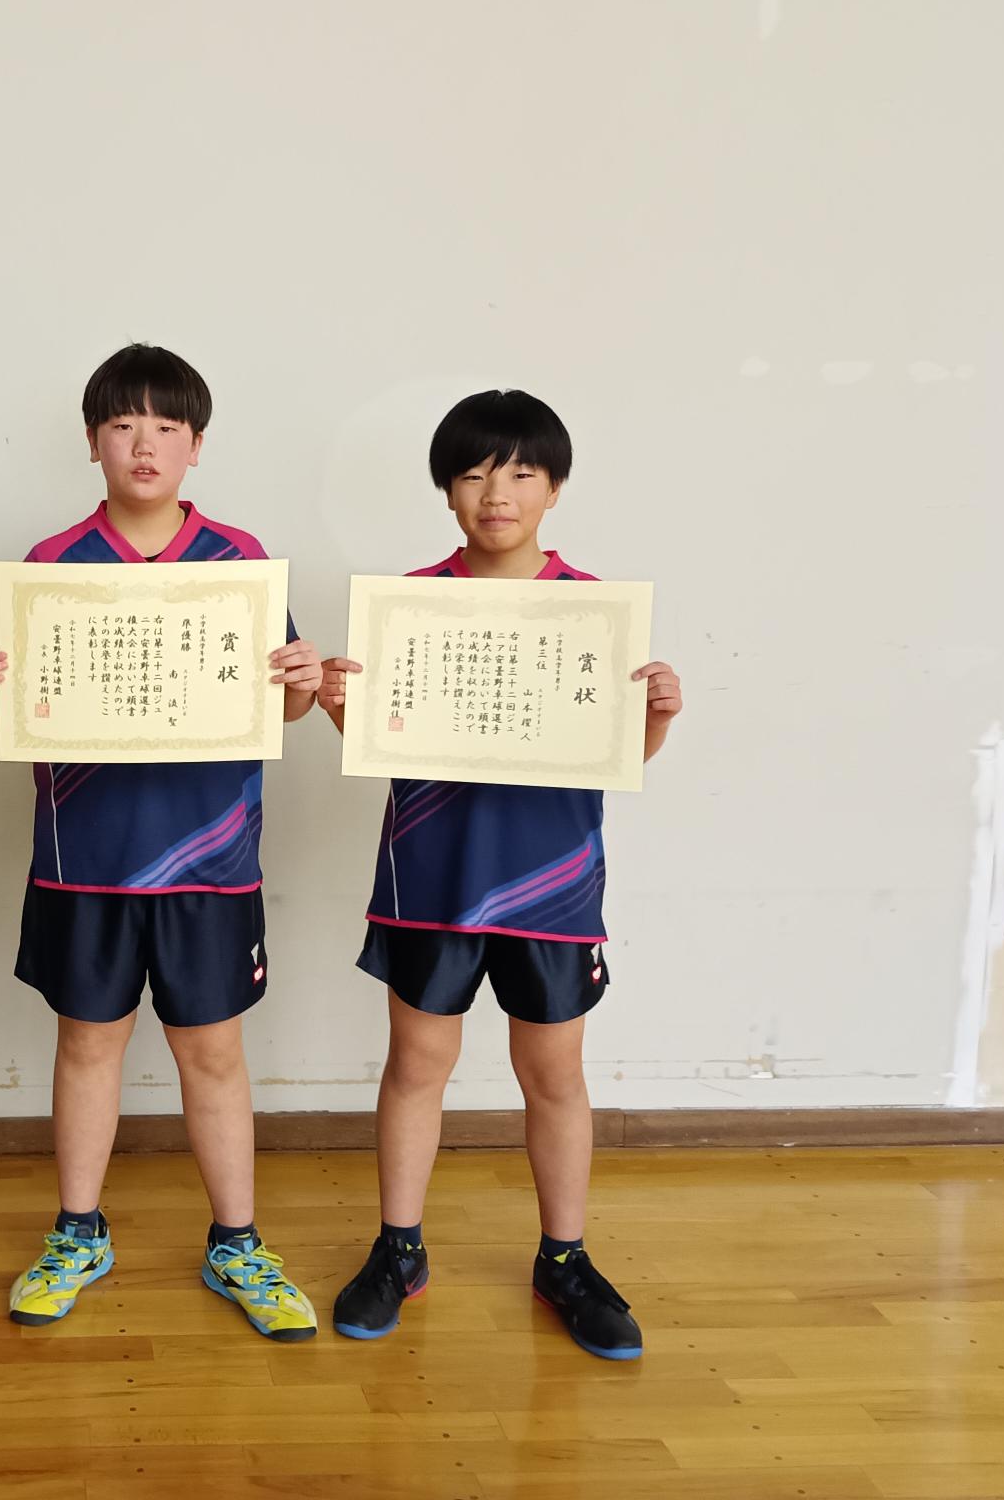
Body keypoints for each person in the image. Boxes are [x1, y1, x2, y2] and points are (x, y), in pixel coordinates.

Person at [0, 344, 325, 1341]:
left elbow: (281, 712)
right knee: (88, 1044)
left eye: (167, 426)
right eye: (124, 424)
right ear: (93, 442)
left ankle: (237, 1242)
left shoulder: (240, 563)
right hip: (85, 858)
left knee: (214, 1052)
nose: (145, 443)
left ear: (197, 445)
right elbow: (15, 714)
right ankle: (77, 1233)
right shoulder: (49, 567)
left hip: (212, 861)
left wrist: (300, 687)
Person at [320, 390, 684, 1359]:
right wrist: (336, 701)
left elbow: (621, 757)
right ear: (447, 490)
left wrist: (656, 715)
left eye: (522, 472)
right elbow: (371, 740)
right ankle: (398, 1250)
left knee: (554, 1073)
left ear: (554, 488)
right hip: (431, 877)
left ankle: (564, 1259)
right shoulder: (410, 605)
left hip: (553, 884)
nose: (497, 492)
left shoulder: (593, 613)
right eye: (475, 472)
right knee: (416, 1066)